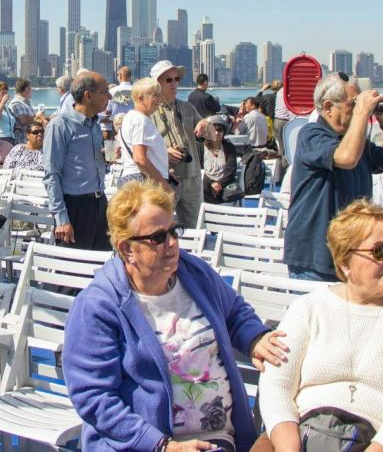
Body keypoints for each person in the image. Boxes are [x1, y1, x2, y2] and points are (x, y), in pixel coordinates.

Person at [63, 180, 289, 452]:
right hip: (146, 445)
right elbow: (94, 397)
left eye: (173, 231)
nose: (171, 243)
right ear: (127, 250)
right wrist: (160, 445)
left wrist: (255, 338)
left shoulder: (193, 273)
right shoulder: (98, 306)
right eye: (157, 238)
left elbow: (234, 312)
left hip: (220, 437)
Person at [257, 200, 383, 452]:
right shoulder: (308, 308)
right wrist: (289, 448)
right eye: (380, 251)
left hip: (376, 442)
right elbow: (276, 386)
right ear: (345, 262)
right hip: (299, 434)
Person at [283, 72, 383, 281]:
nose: (359, 109)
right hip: (316, 257)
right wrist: (362, 113)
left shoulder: (357, 144)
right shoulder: (311, 135)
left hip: (353, 255)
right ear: (328, 107)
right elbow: (346, 157)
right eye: (353, 104)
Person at [43, 71, 112, 250]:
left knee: (103, 263)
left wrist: (106, 160)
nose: (109, 97)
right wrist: (61, 219)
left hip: (99, 203)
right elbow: (51, 175)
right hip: (74, 208)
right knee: (73, 265)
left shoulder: (94, 124)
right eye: (105, 92)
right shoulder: (60, 125)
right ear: (88, 95)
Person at [150, 60, 209, 230]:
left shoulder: (188, 108)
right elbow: (140, 151)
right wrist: (164, 152)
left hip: (192, 175)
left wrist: (206, 124)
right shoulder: (149, 112)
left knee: (195, 227)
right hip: (165, 178)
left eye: (177, 79)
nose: (174, 83)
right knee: (160, 228)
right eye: (168, 80)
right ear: (157, 84)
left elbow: (211, 136)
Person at [117, 77, 171, 189]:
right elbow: (139, 158)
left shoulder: (130, 117)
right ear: (140, 98)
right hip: (142, 180)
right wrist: (163, 184)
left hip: (133, 177)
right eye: (155, 95)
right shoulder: (140, 120)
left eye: (160, 94)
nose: (159, 99)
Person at [200, 115, 240, 205]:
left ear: (223, 132)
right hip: (205, 184)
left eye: (220, 130)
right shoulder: (200, 147)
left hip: (224, 185)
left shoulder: (229, 147)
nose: (217, 133)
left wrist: (220, 184)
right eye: (213, 130)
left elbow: (231, 169)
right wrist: (211, 183)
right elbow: (198, 169)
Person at [102, 65, 134, 140]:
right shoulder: (136, 91)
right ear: (130, 77)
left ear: (120, 76)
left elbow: (107, 111)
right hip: (132, 125)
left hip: (116, 126)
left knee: (116, 146)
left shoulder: (113, 91)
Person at [8, 78, 36, 144]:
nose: (32, 92)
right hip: (22, 142)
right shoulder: (16, 103)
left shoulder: (25, 103)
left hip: (28, 142)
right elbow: (24, 120)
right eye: (31, 89)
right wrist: (38, 117)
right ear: (26, 89)